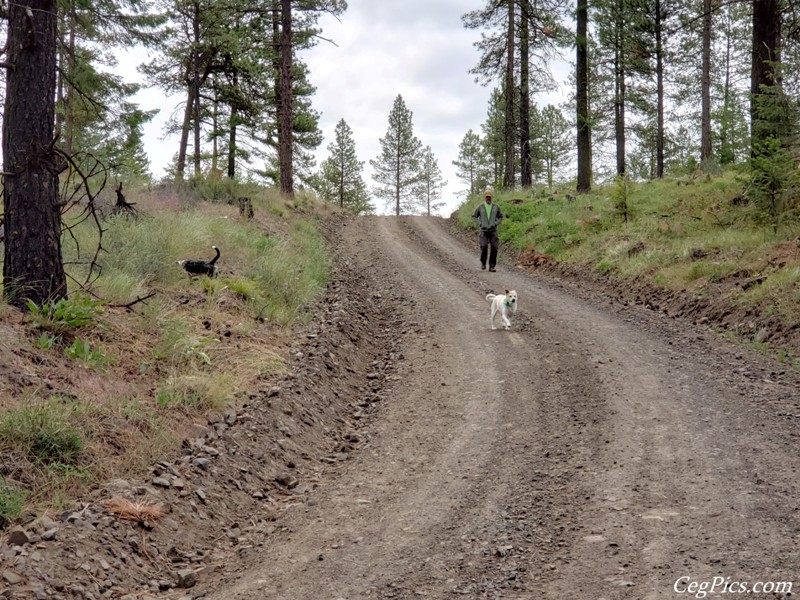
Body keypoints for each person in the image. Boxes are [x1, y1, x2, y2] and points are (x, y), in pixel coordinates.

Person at [471, 188, 504, 272]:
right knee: (484, 246)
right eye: (487, 197)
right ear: (484, 198)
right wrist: (480, 223)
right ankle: (483, 263)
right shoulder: (480, 207)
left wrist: (496, 223)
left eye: (489, 197)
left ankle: (492, 266)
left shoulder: (496, 207)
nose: (488, 198)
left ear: (491, 197)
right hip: (483, 231)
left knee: (494, 248)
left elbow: (501, 216)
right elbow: (474, 216)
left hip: (493, 231)